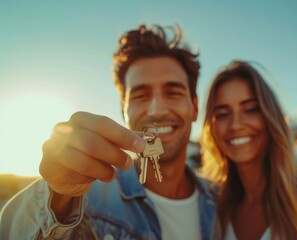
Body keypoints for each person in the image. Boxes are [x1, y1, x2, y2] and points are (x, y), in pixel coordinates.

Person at [0, 24, 218, 240]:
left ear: (195, 107)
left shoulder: (222, 200)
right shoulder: (85, 197)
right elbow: (9, 232)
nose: (157, 110)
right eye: (140, 96)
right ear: (124, 110)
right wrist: (57, 194)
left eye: (173, 93)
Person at [200, 60, 297, 240]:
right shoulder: (217, 209)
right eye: (222, 114)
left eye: (251, 109)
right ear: (211, 128)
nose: (236, 124)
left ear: (271, 118)